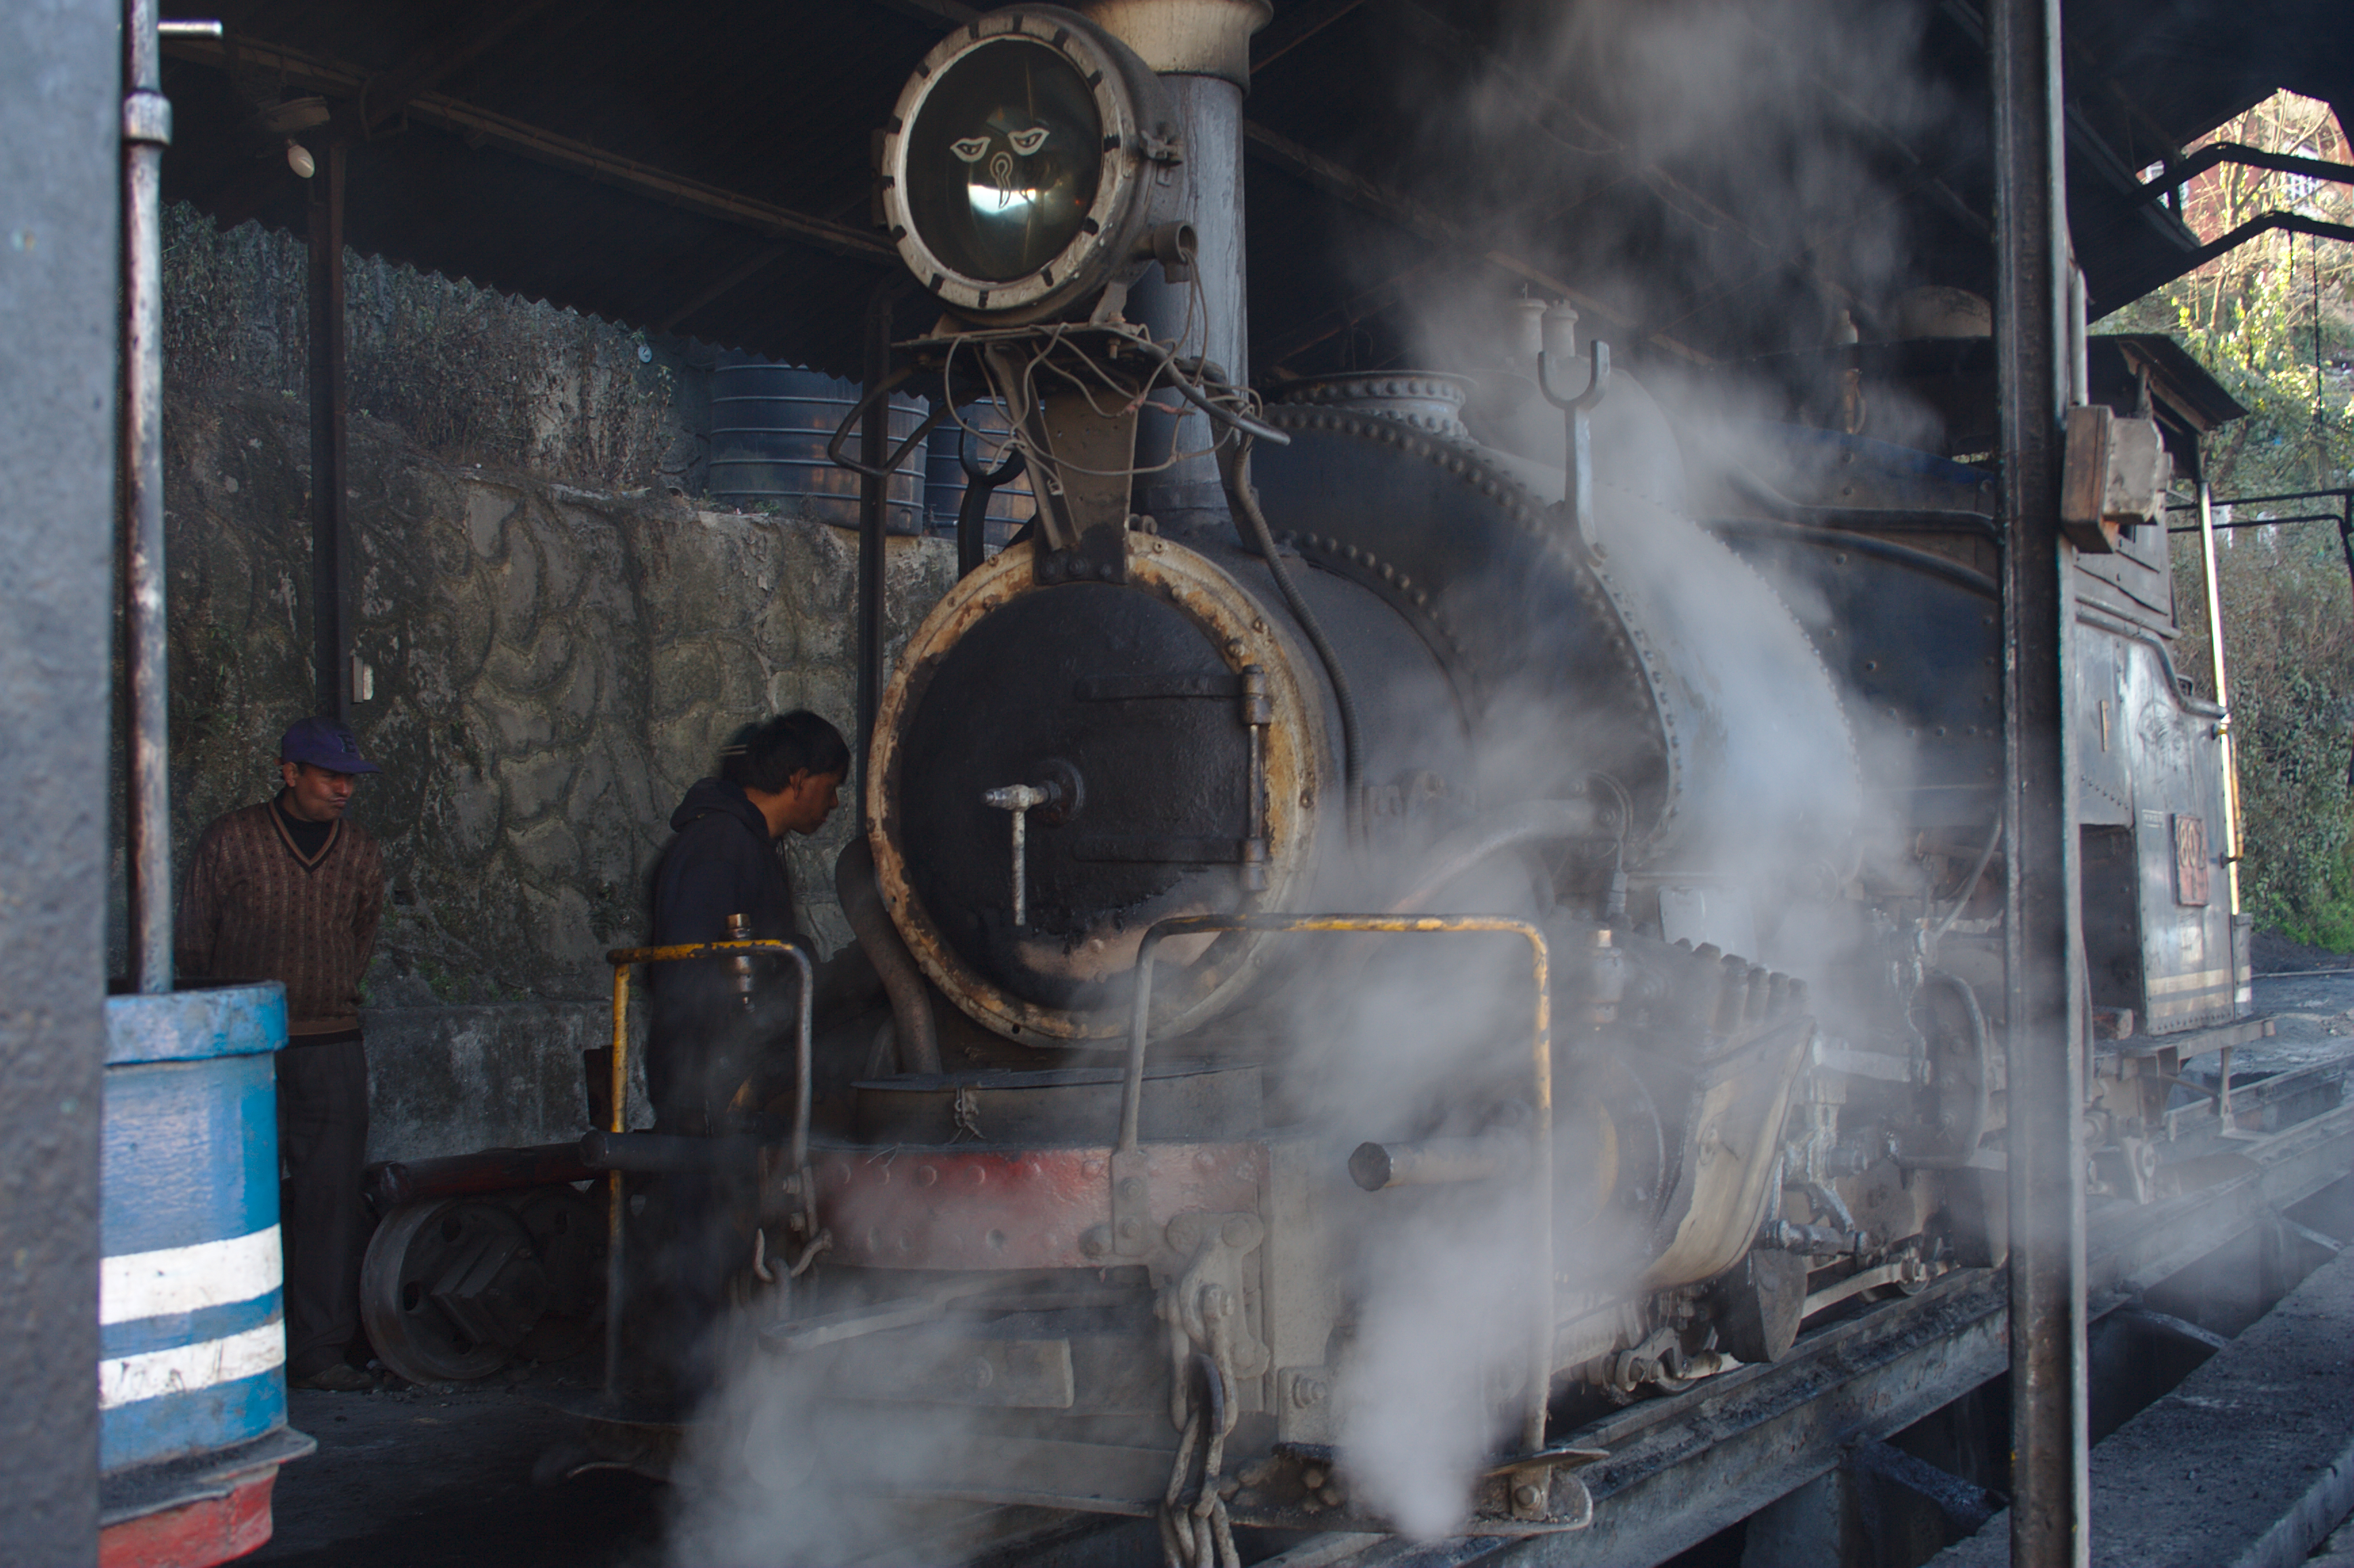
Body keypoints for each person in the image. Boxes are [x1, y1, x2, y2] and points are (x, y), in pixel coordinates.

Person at [630, 709, 848, 1406]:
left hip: (740, 1071)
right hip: (711, 1078)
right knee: (701, 1228)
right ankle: (691, 1387)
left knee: (729, 1223)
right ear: (797, 779)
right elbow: (693, 974)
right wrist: (725, 1075)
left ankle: (727, 1373)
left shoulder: (747, 842)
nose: (835, 802)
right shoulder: (718, 846)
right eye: (831, 785)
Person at [178, 716, 386, 1393]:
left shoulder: (359, 852)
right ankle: (235, 1352)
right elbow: (192, 944)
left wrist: (321, 1001)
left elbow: (360, 938)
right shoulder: (232, 841)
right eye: (330, 776)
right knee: (238, 1203)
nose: (343, 790)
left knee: (331, 1201)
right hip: (243, 1048)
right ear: (288, 772)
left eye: (350, 779)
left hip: (331, 1043)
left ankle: (320, 1352)